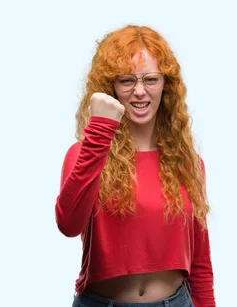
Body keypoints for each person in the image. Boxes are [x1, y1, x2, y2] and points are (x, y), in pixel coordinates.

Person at [54, 25, 216, 307]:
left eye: (151, 79)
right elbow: (68, 224)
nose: (140, 92)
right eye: (126, 80)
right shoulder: (84, 154)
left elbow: (200, 262)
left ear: (166, 85)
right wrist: (99, 132)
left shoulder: (188, 163)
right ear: (110, 87)